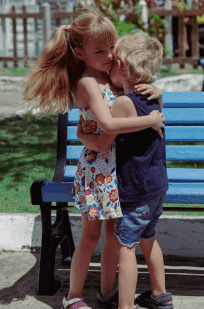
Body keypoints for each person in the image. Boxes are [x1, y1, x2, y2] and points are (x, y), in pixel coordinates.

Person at [22, 11, 165, 309]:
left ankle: (106, 293)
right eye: (99, 51)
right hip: (97, 170)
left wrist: (157, 90)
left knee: (113, 236)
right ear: (80, 54)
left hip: (117, 170)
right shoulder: (88, 82)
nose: (110, 54)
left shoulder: (112, 76)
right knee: (90, 236)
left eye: (111, 47)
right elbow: (108, 127)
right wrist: (149, 119)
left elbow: (131, 93)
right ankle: (73, 295)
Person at [78, 29, 173, 309]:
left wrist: (83, 137)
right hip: (156, 188)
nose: (109, 66)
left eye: (114, 61)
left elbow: (102, 141)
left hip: (134, 189)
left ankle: (126, 306)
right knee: (149, 239)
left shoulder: (122, 103)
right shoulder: (153, 98)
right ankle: (160, 295)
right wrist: (159, 92)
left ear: (125, 68)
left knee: (125, 247)